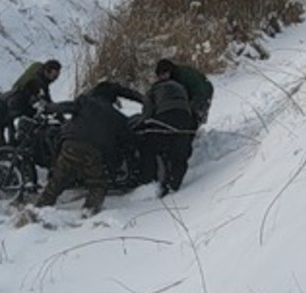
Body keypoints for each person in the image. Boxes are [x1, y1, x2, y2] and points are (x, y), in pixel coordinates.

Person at [34, 81, 138, 215]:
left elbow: (65, 106)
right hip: (93, 150)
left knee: (57, 180)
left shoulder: (85, 101)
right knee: (98, 183)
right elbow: (129, 137)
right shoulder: (116, 116)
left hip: (70, 144)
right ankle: (89, 211)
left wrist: (47, 107)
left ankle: (38, 209)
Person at [0, 59, 62, 152]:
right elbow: (12, 117)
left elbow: (48, 104)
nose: (55, 79)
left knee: (4, 148)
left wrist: (61, 118)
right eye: (54, 76)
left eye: (57, 76)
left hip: (0, 119)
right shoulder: (20, 96)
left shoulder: (40, 86)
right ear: (47, 71)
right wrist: (13, 142)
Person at [139, 63, 196, 194]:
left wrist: (142, 123)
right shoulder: (181, 87)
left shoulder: (153, 89)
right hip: (186, 119)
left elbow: (147, 112)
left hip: (165, 117)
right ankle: (174, 184)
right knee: (181, 153)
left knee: (153, 147)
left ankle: (151, 183)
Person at [154, 59, 214, 127]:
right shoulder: (170, 80)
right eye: (160, 75)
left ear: (169, 71)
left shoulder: (184, 75)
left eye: (163, 74)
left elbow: (199, 91)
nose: (162, 77)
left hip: (203, 91)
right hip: (191, 94)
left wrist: (191, 108)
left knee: (195, 113)